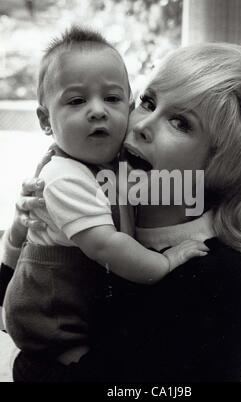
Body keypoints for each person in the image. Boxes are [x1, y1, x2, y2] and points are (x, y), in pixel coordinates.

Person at [0, 42, 241, 382]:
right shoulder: (98, 203)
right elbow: (21, 297)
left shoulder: (217, 278)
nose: (141, 124)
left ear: (221, 166)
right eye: (148, 102)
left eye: (181, 123)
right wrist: (30, 228)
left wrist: (28, 365)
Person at [1, 26, 207, 362]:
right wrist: (166, 261)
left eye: (112, 99)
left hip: (87, 296)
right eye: (77, 100)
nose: (97, 111)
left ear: (127, 106)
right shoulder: (63, 176)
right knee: (86, 367)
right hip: (51, 312)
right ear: (45, 120)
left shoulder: (121, 159)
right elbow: (107, 245)